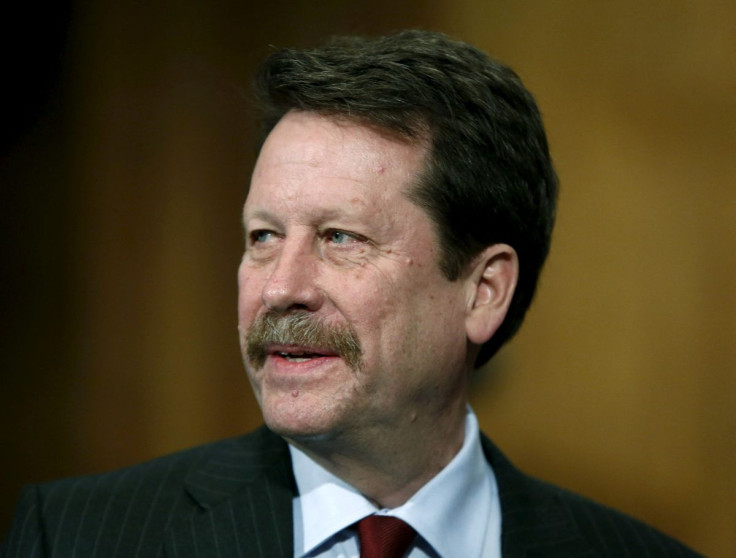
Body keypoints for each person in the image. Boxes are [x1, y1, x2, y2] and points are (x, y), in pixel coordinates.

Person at [2, 30, 699, 558]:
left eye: (340, 238)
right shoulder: (75, 537)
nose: (281, 288)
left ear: (484, 292)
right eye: (263, 237)